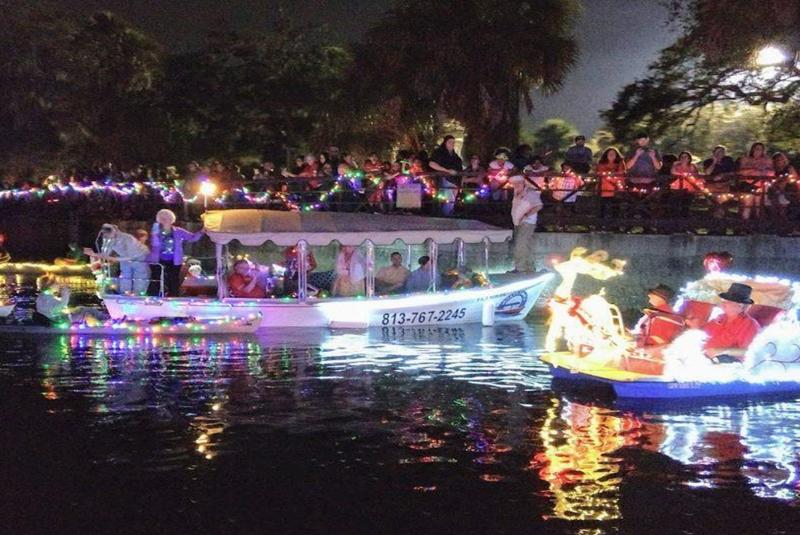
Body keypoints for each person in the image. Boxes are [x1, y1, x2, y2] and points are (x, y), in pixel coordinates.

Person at [693, 283, 760, 363]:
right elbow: (704, 334)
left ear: (740, 305)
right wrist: (695, 326)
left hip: (727, 363)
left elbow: (748, 351)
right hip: (703, 356)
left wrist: (721, 351)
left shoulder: (749, 324)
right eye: (724, 300)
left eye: (728, 301)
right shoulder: (720, 318)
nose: (724, 303)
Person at [146, 209, 204, 297]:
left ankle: (173, 298)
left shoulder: (178, 231)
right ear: (159, 219)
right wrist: (155, 233)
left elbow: (192, 238)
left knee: (173, 281)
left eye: (167, 217)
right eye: (162, 218)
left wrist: (202, 231)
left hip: (174, 260)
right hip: (157, 260)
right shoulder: (156, 230)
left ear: (172, 219)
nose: (165, 219)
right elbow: (155, 243)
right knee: (156, 280)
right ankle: (152, 298)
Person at [84, 223, 150, 295]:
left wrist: (114, 258)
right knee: (125, 274)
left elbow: (130, 255)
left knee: (140, 276)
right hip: (123, 257)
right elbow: (105, 253)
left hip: (139, 256)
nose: (106, 235)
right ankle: (125, 292)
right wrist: (94, 254)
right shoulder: (108, 239)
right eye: (105, 233)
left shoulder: (127, 239)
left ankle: (138, 294)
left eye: (108, 232)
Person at [509, 174, 544, 273]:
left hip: (527, 222)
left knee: (521, 245)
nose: (516, 185)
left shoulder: (530, 193)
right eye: (514, 183)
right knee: (526, 245)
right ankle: (530, 267)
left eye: (518, 183)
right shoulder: (517, 192)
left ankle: (520, 268)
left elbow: (539, 206)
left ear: (523, 183)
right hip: (518, 222)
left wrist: (526, 215)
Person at [737, 142, 774, 220]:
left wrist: (760, 172)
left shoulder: (767, 160)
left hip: (762, 185)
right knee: (747, 204)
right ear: (752, 149)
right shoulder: (745, 158)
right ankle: (745, 224)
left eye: (760, 149)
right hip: (747, 184)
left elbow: (771, 172)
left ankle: (759, 223)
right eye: (756, 149)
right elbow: (741, 171)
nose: (758, 151)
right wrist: (753, 170)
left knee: (759, 205)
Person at [428, 135, 463, 216]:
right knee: (450, 199)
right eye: (450, 142)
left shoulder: (455, 155)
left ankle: (449, 215)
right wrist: (446, 170)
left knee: (452, 200)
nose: (452, 144)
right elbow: (432, 163)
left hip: (455, 180)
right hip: (445, 178)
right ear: (445, 143)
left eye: (453, 142)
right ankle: (445, 215)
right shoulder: (439, 152)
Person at [596, 148, 627, 222]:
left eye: (613, 154)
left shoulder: (620, 163)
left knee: (615, 208)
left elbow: (621, 173)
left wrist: (610, 175)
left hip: (616, 189)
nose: (611, 155)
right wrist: (611, 174)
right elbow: (599, 173)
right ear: (606, 155)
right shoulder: (601, 163)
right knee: (602, 207)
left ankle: (614, 225)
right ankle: (602, 224)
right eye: (609, 153)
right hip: (603, 190)